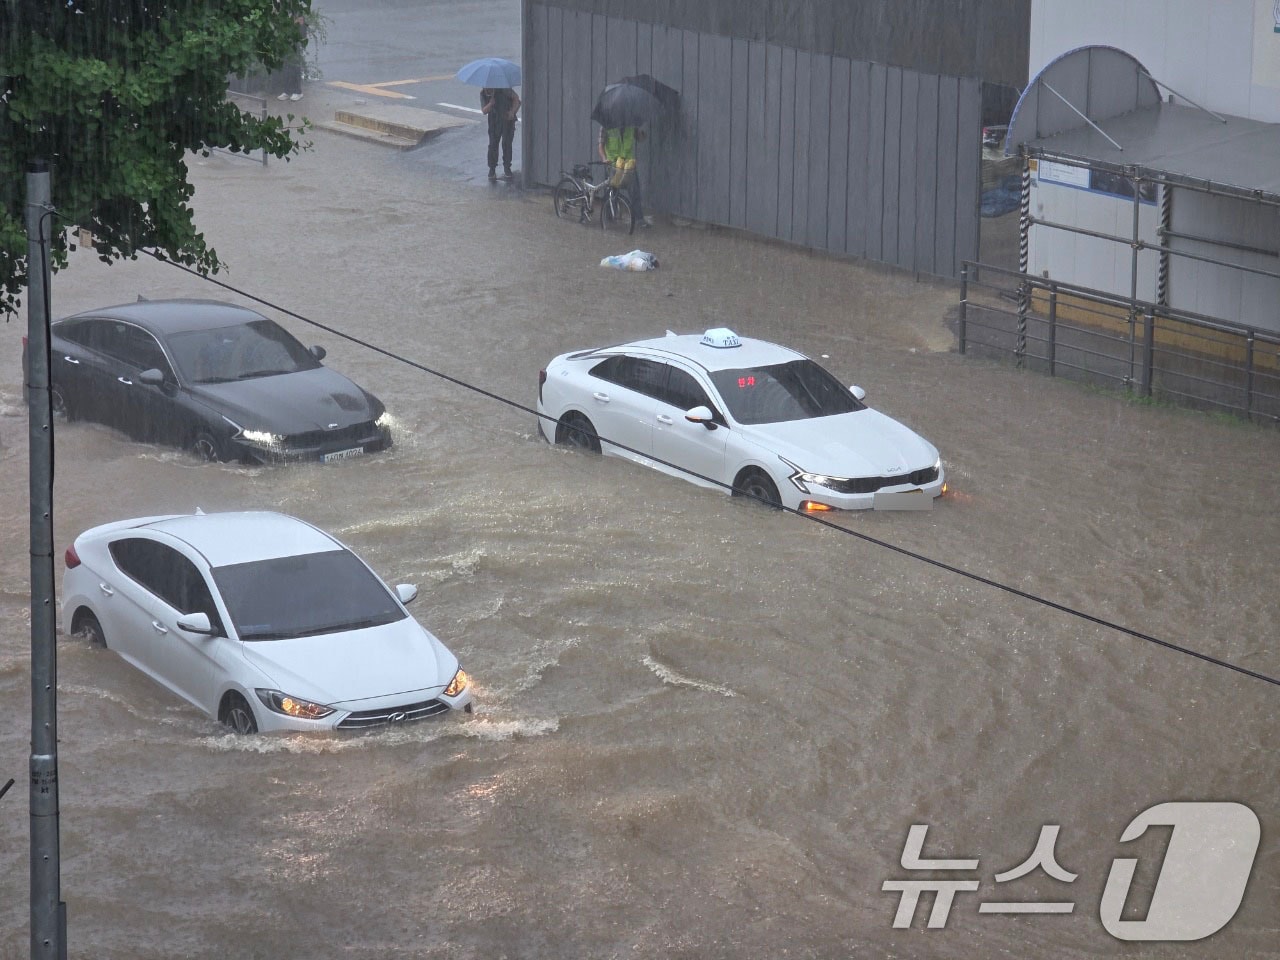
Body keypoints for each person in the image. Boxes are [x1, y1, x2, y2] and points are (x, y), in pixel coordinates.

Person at [598, 125, 653, 226]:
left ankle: (639, 219)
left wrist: (642, 134)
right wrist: (604, 159)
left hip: (628, 165)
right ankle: (609, 218)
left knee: (635, 192)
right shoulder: (606, 126)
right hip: (613, 165)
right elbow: (600, 146)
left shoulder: (631, 126)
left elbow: (640, 138)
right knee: (612, 193)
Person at [481, 87, 520, 180]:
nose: (487, 88)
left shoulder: (504, 88)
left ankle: (507, 168)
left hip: (507, 120)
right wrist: (490, 104)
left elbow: (516, 99)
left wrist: (512, 112)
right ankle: (492, 169)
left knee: (507, 144)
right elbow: (484, 110)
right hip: (494, 121)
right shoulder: (483, 93)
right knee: (493, 145)